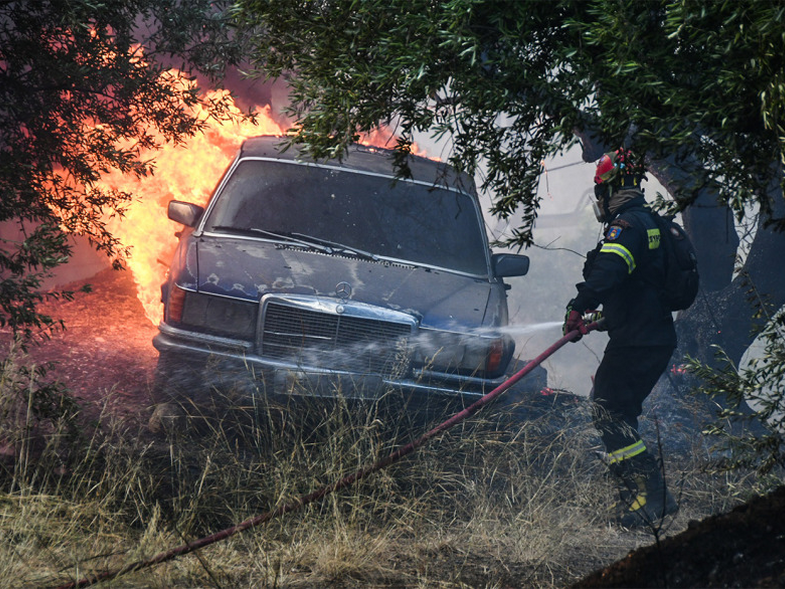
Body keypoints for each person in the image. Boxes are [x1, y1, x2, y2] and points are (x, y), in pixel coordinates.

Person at [563, 148, 678, 528]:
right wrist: (604, 316)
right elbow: (638, 287)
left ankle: (654, 495)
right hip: (649, 336)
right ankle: (635, 498)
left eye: (600, 191)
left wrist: (579, 306)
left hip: (639, 340)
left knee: (607, 411)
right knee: (617, 412)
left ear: (609, 189)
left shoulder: (626, 227)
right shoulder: (652, 224)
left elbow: (610, 271)